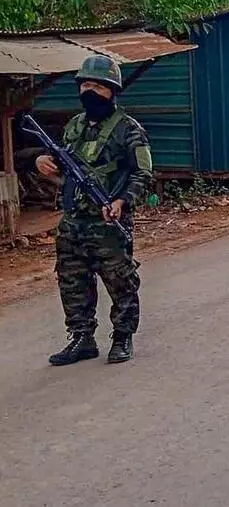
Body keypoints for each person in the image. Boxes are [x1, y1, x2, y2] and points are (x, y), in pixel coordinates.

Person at [35, 55, 153, 366]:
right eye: (85, 84)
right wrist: (42, 161)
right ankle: (81, 338)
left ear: (112, 91)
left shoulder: (128, 130)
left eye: (98, 86)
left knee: (120, 279)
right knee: (72, 278)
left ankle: (122, 336)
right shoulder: (74, 126)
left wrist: (122, 200)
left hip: (108, 220)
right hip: (74, 220)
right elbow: (62, 159)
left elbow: (143, 173)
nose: (90, 91)